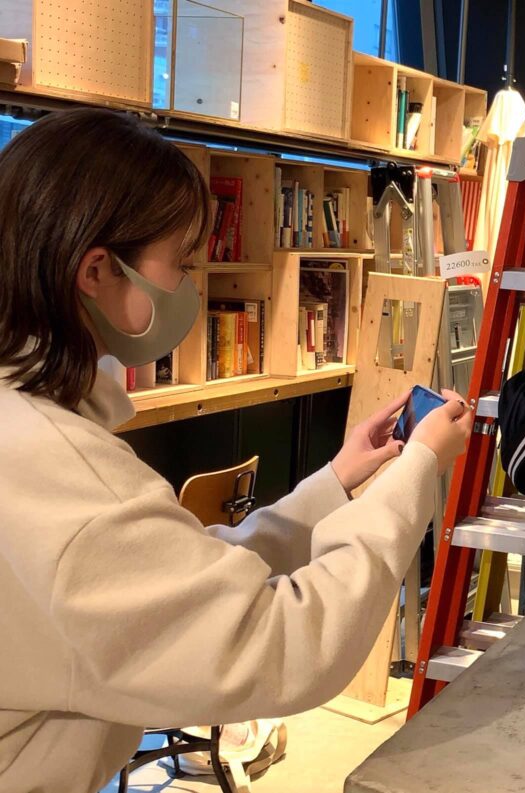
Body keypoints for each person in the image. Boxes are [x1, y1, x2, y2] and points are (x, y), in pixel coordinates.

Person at [0, 108, 473, 792]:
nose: (189, 285)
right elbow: (283, 644)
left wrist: (337, 480)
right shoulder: (55, 466)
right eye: (179, 263)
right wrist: (418, 469)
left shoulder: (29, 421)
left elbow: (177, 580)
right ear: (96, 270)